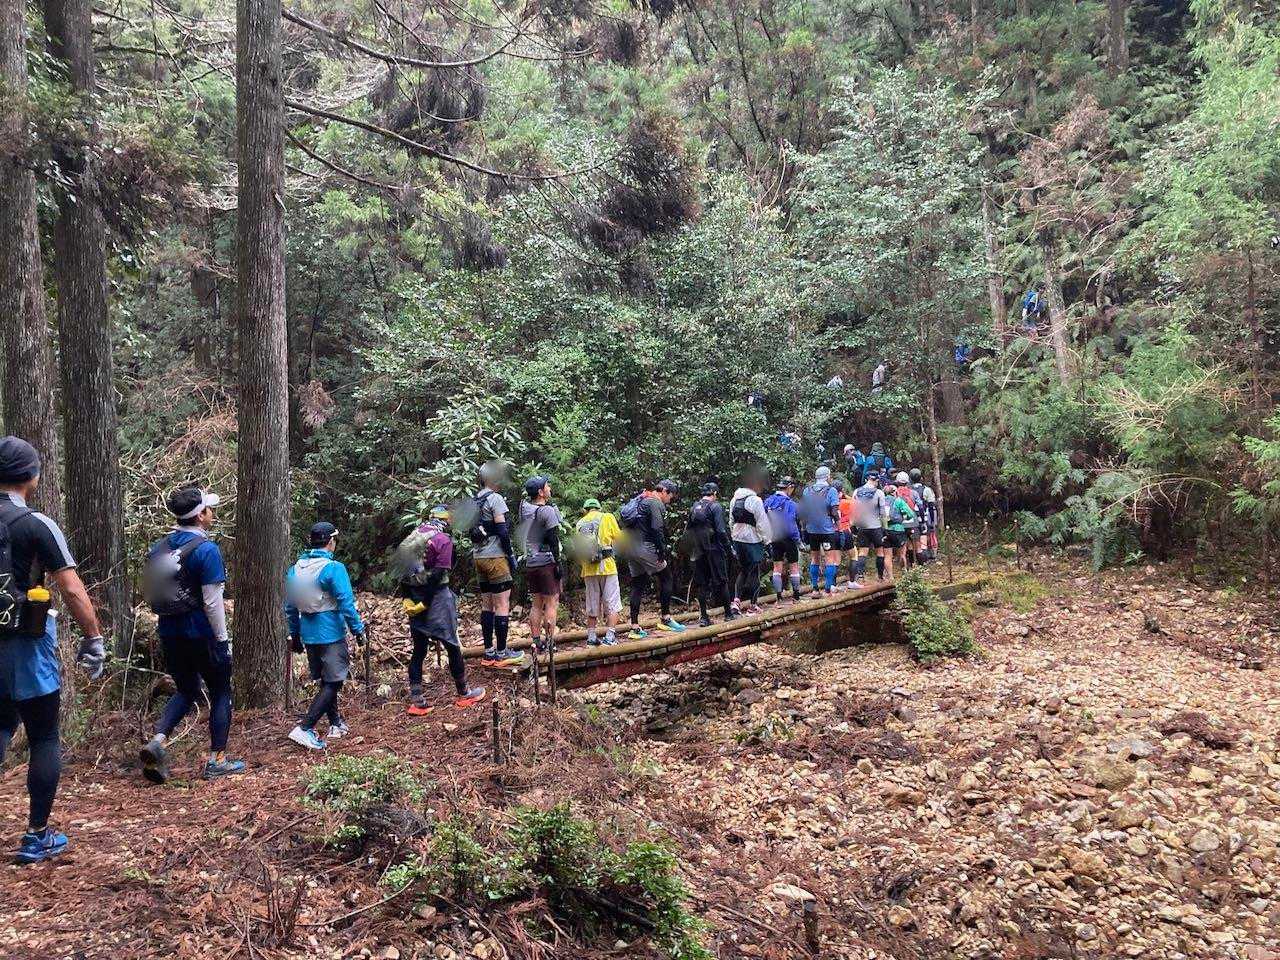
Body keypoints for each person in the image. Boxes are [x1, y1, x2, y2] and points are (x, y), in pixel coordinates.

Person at [0, 436, 106, 864]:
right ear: (32, 476)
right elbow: (72, 588)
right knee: (43, 735)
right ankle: (36, 835)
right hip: (26, 643)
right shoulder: (36, 524)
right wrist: (93, 638)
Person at [138, 486, 245, 785]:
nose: (212, 513)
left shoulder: (159, 548)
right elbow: (212, 602)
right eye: (209, 509)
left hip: (168, 630)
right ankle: (217, 761)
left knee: (186, 690)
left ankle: (157, 741)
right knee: (221, 690)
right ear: (200, 516)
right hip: (200, 632)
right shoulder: (206, 550)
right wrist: (222, 640)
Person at [283, 522, 366, 750]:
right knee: (334, 681)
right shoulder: (333, 568)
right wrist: (358, 630)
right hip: (330, 633)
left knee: (326, 681)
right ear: (331, 542)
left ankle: (335, 724)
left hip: (309, 634)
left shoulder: (295, 569)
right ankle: (305, 727)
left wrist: (295, 635)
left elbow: (290, 608)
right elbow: (346, 603)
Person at [399, 506, 485, 715]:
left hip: (414, 596)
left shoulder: (412, 537)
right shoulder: (442, 540)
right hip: (436, 597)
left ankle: (417, 700)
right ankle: (464, 692)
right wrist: (426, 602)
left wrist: (408, 599)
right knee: (452, 645)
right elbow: (438, 574)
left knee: (419, 649)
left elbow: (402, 571)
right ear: (447, 520)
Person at [470, 465, 524, 669]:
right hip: (495, 557)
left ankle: (488, 652)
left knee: (487, 605)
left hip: (479, 557)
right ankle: (501, 653)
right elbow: (502, 531)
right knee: (502, 604)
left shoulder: (475, 500)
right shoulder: (495, 499)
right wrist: (510, 555)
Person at [622, 480, 685, 638]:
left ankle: (635, 627)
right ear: (664, 491)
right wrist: (661, 550)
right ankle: (666, 618)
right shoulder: (655, 503)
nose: (670, 500)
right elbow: (657, 528)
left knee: (638, 583)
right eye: (670, 496)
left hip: (630, 546)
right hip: (645, 546)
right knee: (666, 577)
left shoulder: (641, 499)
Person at [519, 476, 562, 654]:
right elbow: (553, 538)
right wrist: (558, 563)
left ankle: (536, 642)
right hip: (546, 562)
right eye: (547, 486)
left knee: (536, 604)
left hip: (531, 562)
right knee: (551, 603)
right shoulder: (547, 511)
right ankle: (550, 642)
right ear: (540, 492)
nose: (549, 488)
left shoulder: (524, 509)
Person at [687, 483, 735, 626]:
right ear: (714, 493)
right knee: (722, 581)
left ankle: (704, 617)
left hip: (698, 551)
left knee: (702, 584)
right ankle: (728, 614)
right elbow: (721, 530)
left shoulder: (694, 507)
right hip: (714, 549)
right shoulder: (715, 507)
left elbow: (689, 529)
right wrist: (728, 548)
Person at [575, 499, 622, 646]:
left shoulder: (580, 524)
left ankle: (591, 637)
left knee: (592, 604)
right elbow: (619, 538)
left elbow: (579, 551)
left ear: (585, 510)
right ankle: (610, 636)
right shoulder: (607, 517)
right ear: (598, 508)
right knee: (613, 602)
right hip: (607, 567)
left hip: (588, 569)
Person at [729, 474, 772, 616]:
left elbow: (731, 521)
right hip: (752, 540)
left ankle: (735, 602)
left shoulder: (734, 499)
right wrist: (768, 541)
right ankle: (752, 606)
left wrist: (734, 537)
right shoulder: (756, 500)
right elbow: (762, 523)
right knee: (754, 572)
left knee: (743, 570)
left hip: (737, 539)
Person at [798, 466, 841, 594]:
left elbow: (803, 512)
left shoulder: (807, 491)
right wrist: (838, 526)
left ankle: (815, 588)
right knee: (830, 558)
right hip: (827, 530)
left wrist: (804, 528)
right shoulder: (831, 490)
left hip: (812, 530)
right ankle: (828, 588)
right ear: (827, 476)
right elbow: (834, 511)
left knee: (814, 558)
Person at [763, 477, 803, 604]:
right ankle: (796, 597)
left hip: (774, 537)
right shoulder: (791, 504)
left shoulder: (768, 501)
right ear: (789, 487)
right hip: (789, 538)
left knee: (776, 567)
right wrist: (798, 541)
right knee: (794, 566)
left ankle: (779, 598)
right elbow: (792, 524)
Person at [850, 472, 889, 587]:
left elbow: (853, 510)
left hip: (862, 526)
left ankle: (860, 576)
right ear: (876, 480)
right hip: (876, 526)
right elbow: (883, 513)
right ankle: (880, 576)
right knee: (880, 551)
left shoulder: (856, 492)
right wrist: (885, 528)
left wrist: (853, 525)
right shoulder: (879, 493)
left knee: (862, 552)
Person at [883, 483, 918, 577]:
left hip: (885, 530)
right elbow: (910, 514)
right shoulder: (898, 501)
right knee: (902, 554)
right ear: (894, 492)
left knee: (887, 555)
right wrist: (904, 517)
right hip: (898, 529)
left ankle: (890, 577)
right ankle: (904, 574)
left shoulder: (881, 501)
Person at [892, 472, 923, 567]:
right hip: (913, 520)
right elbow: (920, 506)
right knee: (917, 545)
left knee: (904, 545)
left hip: (900, 522)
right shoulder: (913, 493)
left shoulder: (894, 493)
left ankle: (906, 566)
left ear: (897, 482)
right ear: (907, 481)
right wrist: (922, 520)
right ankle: (920, 566)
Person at [910, 468, 939, 562]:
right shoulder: (926, 490)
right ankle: (924, 560)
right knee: (924, 537)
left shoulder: (908, 490)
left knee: (914, 539)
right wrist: (932, 520)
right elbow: (931, 506)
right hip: (923, 517)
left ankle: (913, 560)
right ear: (921, 478)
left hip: (911, 518)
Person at [837, 484, 857, 585]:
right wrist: (845, 495)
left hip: (833, 531)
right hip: (845, 529)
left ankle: (832, 585)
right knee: (854, 555)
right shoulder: (846, 502)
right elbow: (857, 503)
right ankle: (852, 582)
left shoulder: (830, 503)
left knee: (835, 560)